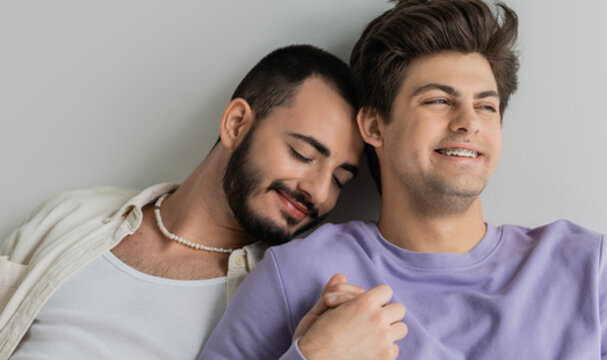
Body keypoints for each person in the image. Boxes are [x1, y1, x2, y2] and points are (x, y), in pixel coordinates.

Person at [200, 0, 607, 358]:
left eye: (486, 105)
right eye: (439, 101)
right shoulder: (297, 274)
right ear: (375, 126)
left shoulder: (588, 270)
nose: (469, 122)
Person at [0, 44, 380, 358]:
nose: (319, 191)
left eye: (340, 179)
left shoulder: (281, 301)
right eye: (302, 154)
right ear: (236, 124)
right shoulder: (70, 217)